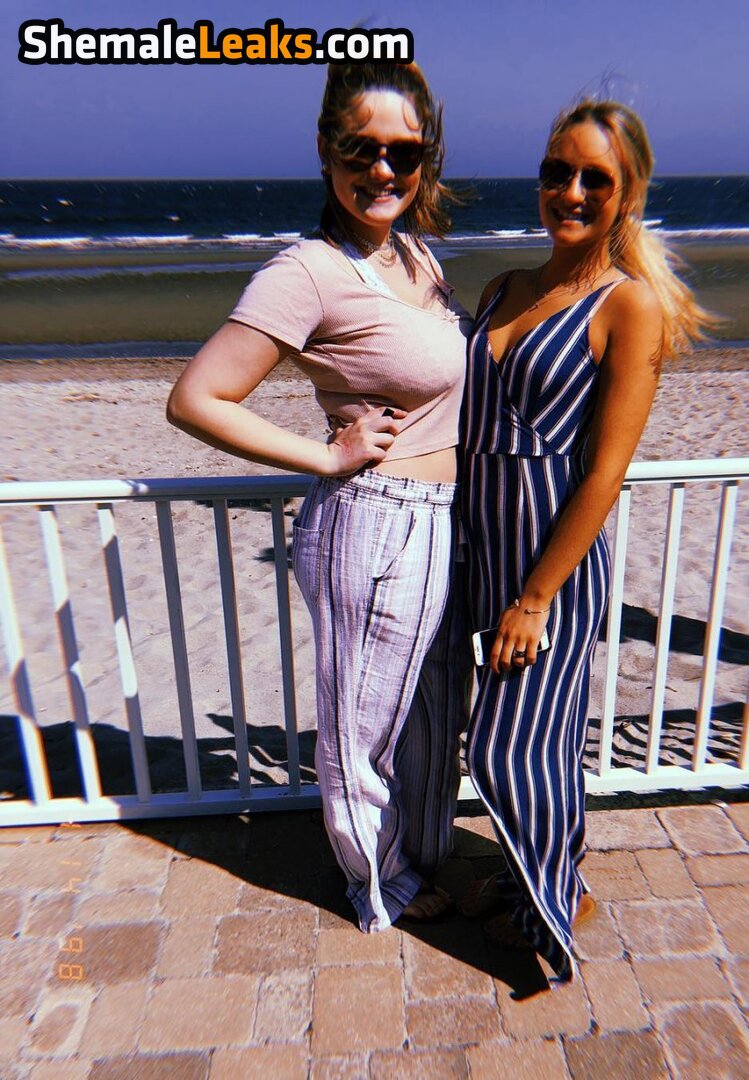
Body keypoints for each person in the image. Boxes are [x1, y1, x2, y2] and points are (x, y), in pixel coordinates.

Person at [167, 62, 473, 931]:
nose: (382, 168)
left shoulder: (412, 254)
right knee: (358, 729)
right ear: (325, 149)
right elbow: (197, 398)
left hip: (435, 523)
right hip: (374, 522)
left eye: (403, 151)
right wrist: (326, 455)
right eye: (360, 148)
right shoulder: (306, 271)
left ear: (426, 158)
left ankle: (406, 857)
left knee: (411, 719)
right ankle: (377, 889)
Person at [457, 99, 712, 980]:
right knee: (541, 734)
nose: (569, 191)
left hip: (549, 568)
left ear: (627, 193)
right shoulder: (503, 287)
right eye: (555, 172)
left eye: (594, 179)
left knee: (512, 742)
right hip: (480, 551)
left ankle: (560, 898)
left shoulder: (628, 306)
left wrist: (535, 597)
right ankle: (527, 877)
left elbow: (604, 473)